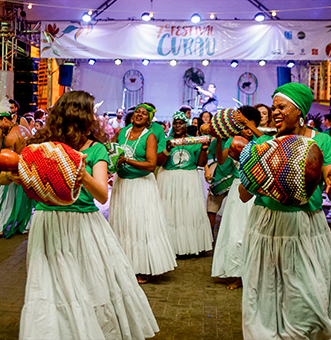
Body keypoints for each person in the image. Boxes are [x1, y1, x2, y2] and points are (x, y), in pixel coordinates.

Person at [239, 83, 331, 339]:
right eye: (273, 108)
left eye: (282, 107)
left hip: (305, 225)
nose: (275, 112)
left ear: (300, 110)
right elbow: (243, 195)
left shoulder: (321, 142)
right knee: (266, 286)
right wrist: (252, 175)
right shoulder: (262, 143)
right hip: (267, 222)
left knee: (305, 290)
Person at [19, 91, 158, 339]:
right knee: (48, 282)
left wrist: (82, 174)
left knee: (86, 282)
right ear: (78, 115)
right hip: (46, 219)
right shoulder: (41, 146)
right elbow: (29, 185)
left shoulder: (96, 150)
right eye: (91, 111)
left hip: (82, 221)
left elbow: (103, 194)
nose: (95, 117)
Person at [109, 104, 176, 284]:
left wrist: (127, 160)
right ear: (132, 117)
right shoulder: (122, 132)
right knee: (124, 225)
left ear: (149, 120)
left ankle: (142, 269)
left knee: (139, 226)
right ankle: (124, 266)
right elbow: (112, 150)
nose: (139, 114)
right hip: (122, 184)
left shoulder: (150, 136)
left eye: (144, 114)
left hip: (141, 186)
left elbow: (151, 165)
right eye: (137, 112)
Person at [210, 106, 261, 290]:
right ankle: (238, 273)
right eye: (243, 126)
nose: (246, 130)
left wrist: (252, 129)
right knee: (236, 231)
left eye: (249, 125)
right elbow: (221, 160)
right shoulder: (233, 141)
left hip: (256, 189)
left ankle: (254, 273)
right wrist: (218, 139)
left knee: (252, 231)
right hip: (237, 189)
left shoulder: (261, 140)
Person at [156, 111, 213, 255]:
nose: (177, 125)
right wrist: (167, 149)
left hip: (188, 178)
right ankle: (170, 247)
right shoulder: (165, 140)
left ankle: (189, 247)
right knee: (169, 210)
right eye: (174, 123)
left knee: (188, 211)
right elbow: (158, 161)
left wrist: (204, 149)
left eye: (180, 123)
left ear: (186, 125)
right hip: (169, 178)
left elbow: (200, 163)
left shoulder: (194, 141)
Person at [0, 99, 34, 239]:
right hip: (26, 170)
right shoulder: (24, 129)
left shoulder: (10, 138)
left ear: (5, 119)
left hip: (13, 171)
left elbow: (8, 161)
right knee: (22, 199)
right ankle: (25, 226)